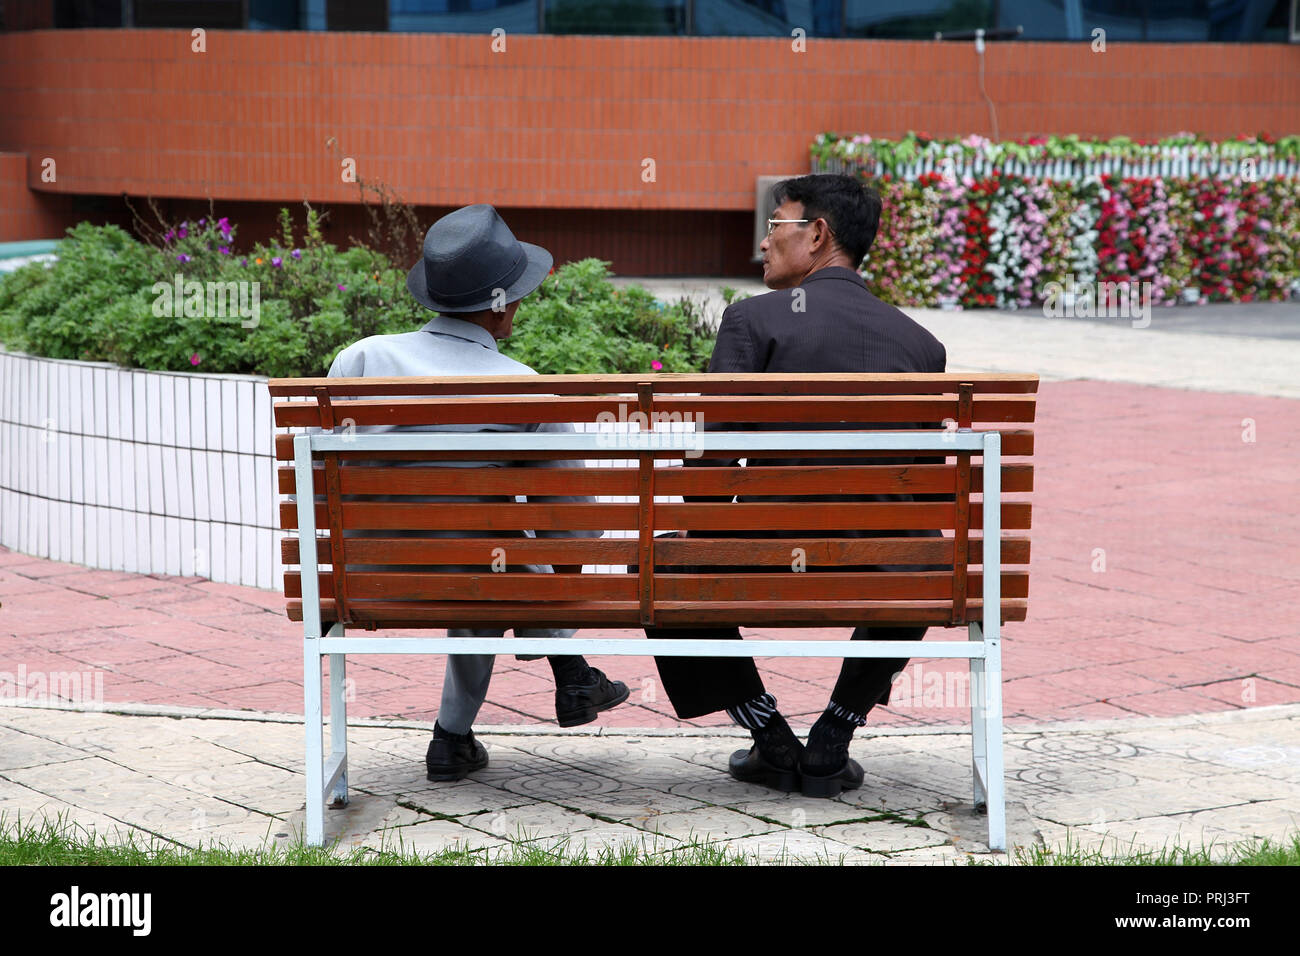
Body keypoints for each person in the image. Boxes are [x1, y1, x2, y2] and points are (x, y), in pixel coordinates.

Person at [648, 174, 947, 797]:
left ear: (817, 234)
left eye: (775, 225)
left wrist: (704, 538)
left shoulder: (753, 322)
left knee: (663, 560)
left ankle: (767, 733)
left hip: (768, 560)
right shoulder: (921, 344)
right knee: (924, 549)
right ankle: (837, 729)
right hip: (889, 568)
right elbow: (927, 485)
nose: (763, 241)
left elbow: (707, 468)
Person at [326, 204, 629, 782]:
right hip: (471, 575)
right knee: (494, 555)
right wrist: (560, 567)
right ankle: (543, 686)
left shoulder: (360, 359)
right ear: (500, 305)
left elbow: (319, 485)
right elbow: (574, 521)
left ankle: (471, 730)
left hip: (363, 575)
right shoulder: (523, 389)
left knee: (485, 548)